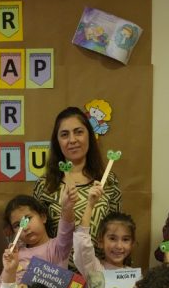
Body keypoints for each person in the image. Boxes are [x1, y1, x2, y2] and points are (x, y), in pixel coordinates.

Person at [32, 107, 121, 263]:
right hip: (57, 277)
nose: (72, 140)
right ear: (57, 141)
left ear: (89, 136)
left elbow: (119, 231)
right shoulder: (45, 185)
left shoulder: (108, 181)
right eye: (65, 135)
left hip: (99, 274)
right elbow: (36, 240)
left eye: (78, 132)